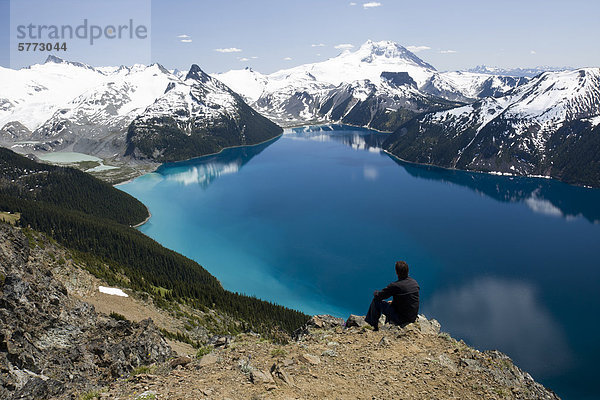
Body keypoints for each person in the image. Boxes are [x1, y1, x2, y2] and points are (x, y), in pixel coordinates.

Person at [365, 261, 419, 331]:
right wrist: (394, 302)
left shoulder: (396, 285)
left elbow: (380, 296)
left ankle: (372, 326)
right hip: (412, 317)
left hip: (401, 318)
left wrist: (375, 292)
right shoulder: (414, 283)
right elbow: (407, 298)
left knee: (376, 301)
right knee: (390, 304)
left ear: (397, 272)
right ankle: (388, 325)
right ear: (407, 271)